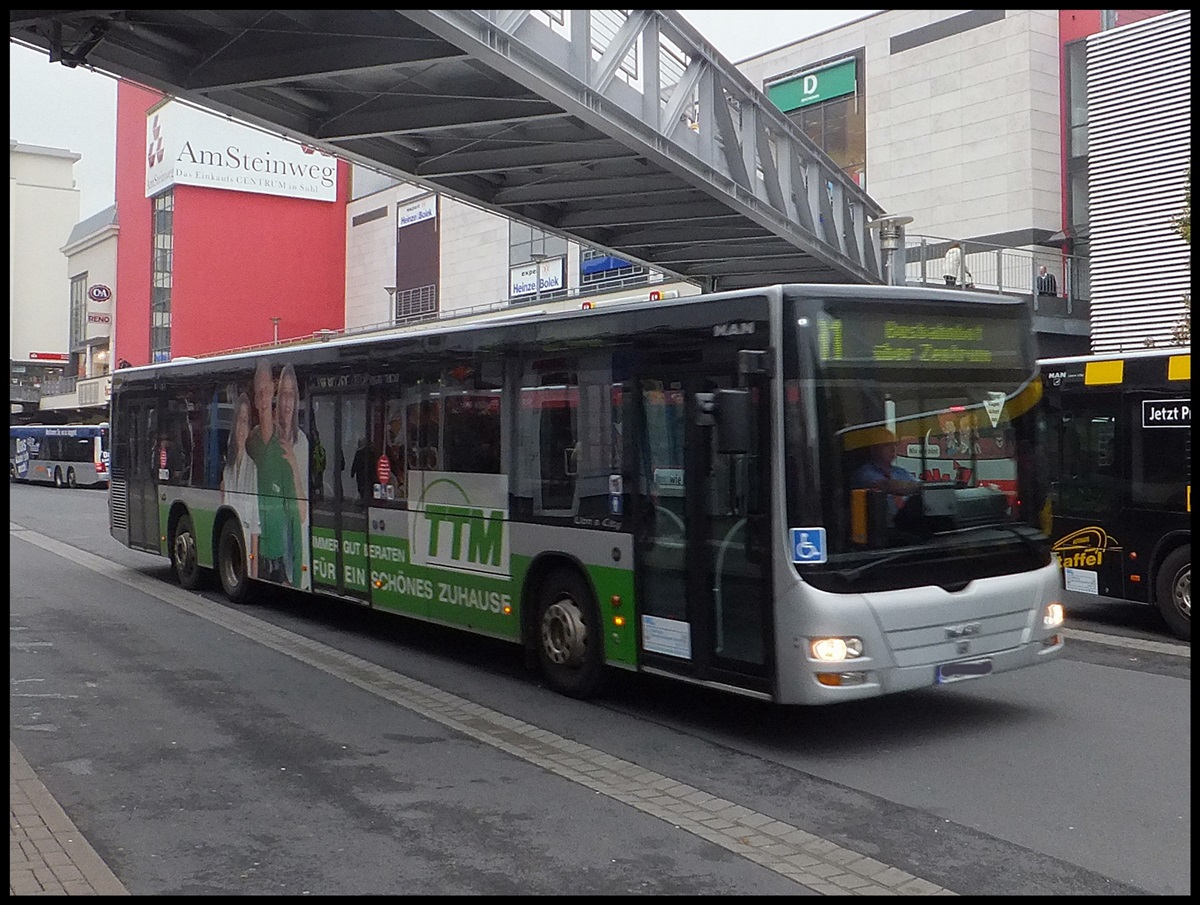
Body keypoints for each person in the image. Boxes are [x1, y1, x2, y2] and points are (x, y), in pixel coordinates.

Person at [246, 359, 293, 587]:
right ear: (255, 399)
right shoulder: (250, 443)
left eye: (267, 391)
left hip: (281, 544)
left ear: (273, 392)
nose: (264, 399)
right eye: (259, 393)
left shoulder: (285, 442)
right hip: (260, 539)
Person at [220, 392, 260, 578]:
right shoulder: (227, 471)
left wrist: (253, 571)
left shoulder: (253, 469)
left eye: (246, 421)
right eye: (239, 420)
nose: (242, 427)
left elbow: (255, 529)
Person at [851, 428, 921, 517]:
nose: (893, 449)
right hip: (879, 524)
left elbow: (919, 485)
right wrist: (920, 486)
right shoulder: (864, 473)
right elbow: (889, 486)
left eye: (895, 445)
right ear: (874, 449)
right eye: (887, 445)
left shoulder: (900, 472)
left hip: (907, 522)